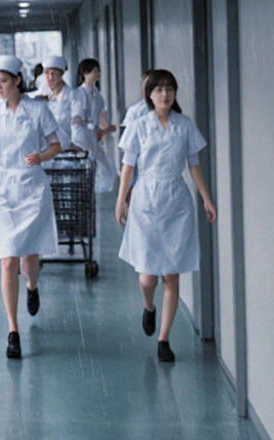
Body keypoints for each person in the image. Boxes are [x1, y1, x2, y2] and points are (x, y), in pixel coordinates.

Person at [114, 69, 217, 362]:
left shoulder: (185, 126)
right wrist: (121, 201)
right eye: (158, 89)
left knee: (171, 275)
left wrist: (206, 199)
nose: (165, 94)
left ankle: (164, 339)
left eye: (169, 89)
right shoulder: (139, 126)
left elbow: (194, 165)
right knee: (148, 277)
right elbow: (128, 167)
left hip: (177, 202)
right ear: (149, 94)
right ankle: (149, 307)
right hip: (146, 200)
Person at [0, 55, 64, 359]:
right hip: (2, 190)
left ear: (17, 81)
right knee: (8, 261)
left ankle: (32, 287)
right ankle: (13, 330)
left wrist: (41, 157)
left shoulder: (37, 109)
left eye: (3, 81)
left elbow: (56, 144)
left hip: (32, 188)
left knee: (28, 258)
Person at [74, 58, 119, 192]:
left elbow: (100, 114)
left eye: (98, 71)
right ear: (84, 73)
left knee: (105, 168)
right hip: (80, 137)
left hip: (92, 137)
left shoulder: (97, 95)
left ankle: (98, 195)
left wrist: (106, 128)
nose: (98, 74)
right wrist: (93, 128)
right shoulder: (79, 94)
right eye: (94, 71)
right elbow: (76, 118)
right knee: (84, 169)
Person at [36, 55, 85, 149]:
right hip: (47, 152)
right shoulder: (42, 99)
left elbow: (77, 123)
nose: (50, 77)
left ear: (61, 74)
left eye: (53, 73)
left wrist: (77, 145)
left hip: (67, 151)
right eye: (47, 73)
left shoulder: (73, 96)